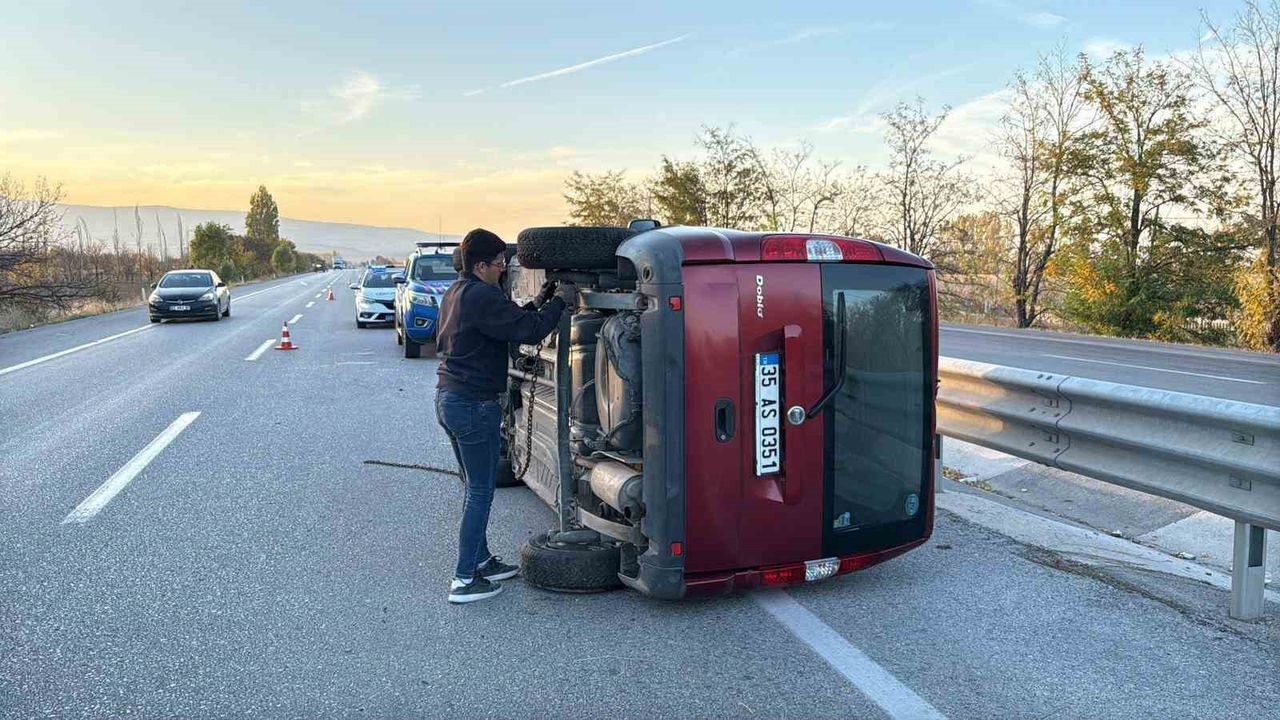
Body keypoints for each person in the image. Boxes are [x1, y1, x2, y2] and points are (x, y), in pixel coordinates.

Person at [435, 228, 575, 604]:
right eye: (498, 264)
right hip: (473, 406)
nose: (502, 269)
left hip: (449, 399)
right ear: (480, 265)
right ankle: (464, 579)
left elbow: (505, 322)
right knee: (480, 492)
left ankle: (481, 561)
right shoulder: (482, 296)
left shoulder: (456, 293)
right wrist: (560, 303)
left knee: (472, 489)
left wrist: (543, 299)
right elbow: (529, 331)